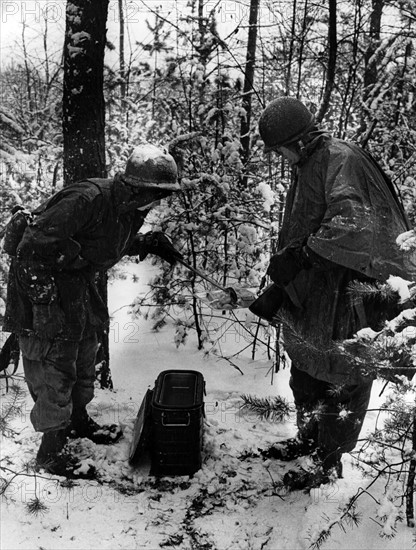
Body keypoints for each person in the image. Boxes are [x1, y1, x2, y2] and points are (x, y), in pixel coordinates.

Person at [256, 97, 415, 490]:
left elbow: (354, 221)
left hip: (351, 291)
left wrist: (302, 253)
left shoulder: (339, 158)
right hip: (320, 287)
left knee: (341, 375)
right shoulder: (310, 160)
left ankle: (328, 464)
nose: (279, 156)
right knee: (307, 367)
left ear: (297, 139)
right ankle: (308, 442)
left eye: (279, 149)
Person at [3, 143, 183, 478]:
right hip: (42, 283)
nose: (159, 202)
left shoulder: (127, 207)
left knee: (86, 349)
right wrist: (44, 305)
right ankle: (51, 450)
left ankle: (77, 421)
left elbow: (102, 241)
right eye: (157, 194)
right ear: (137, 187)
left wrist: (145, 242)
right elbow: (29, 250)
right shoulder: (87, 200)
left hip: (76, 282)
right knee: (55, 362)